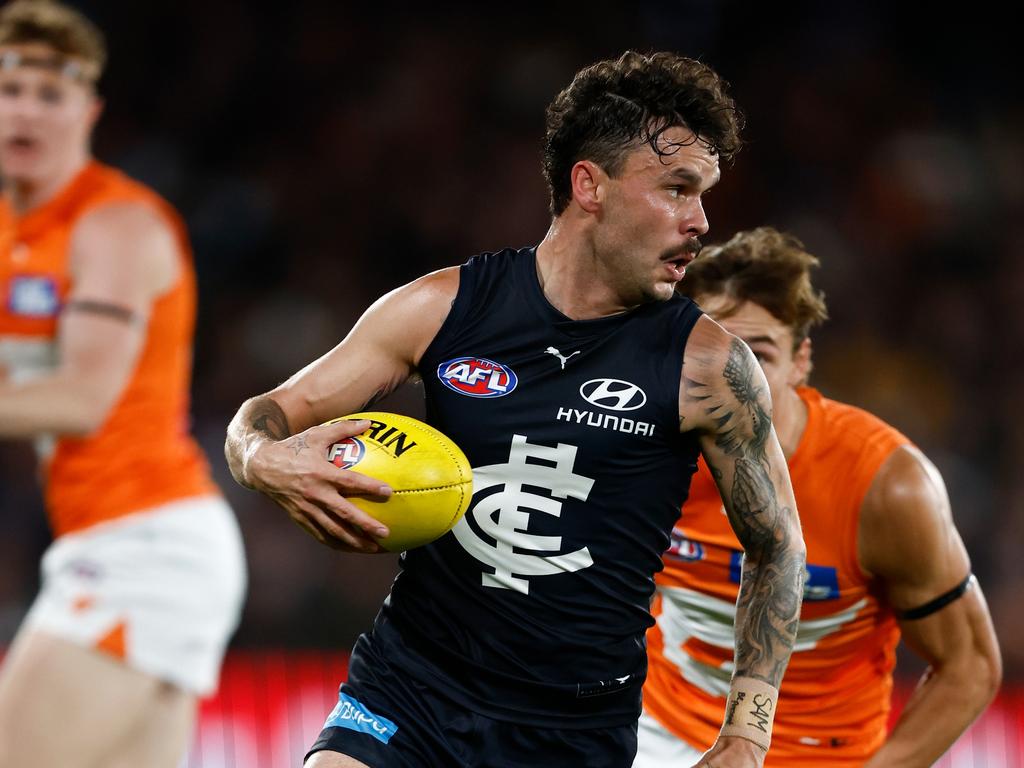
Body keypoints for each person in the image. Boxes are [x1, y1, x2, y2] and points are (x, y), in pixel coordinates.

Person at [226, 51, 806, 768]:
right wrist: (264, 461)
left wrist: (747, 732)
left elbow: (779, 544)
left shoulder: (709, 367)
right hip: (411, 690)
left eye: (703, 194)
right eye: (678, 189)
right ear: (589, 185)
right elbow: (271, 413)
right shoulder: (444, 307)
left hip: (571, 730)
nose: (700, 221)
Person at [635, 227, 1002, 767]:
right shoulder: (644, 450)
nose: (735, 378)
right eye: (716, 352)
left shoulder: (885, 487)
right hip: (655, 737)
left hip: (818, 756)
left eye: (758, 354)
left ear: (802, 360)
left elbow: (970, 665)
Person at [0, 2, 246, 766]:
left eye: (51, 92)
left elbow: (80, 399)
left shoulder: (116, 226)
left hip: (146, 547)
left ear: (90, 109)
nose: (27, 110)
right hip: (116, 544)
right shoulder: (15, 231)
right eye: (10, 88)